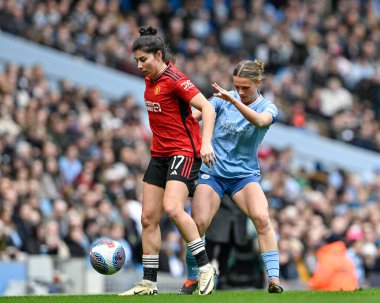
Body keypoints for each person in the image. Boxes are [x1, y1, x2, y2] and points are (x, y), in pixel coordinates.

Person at [118, 26, 217, 296]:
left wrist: (205, 143)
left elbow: (206, 107)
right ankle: (149, 283)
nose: (139, 66)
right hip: (159, 154)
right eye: (136, 60)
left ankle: (205, 267)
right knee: (148, 218)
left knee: (173, 209)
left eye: (143, 60)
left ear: (158, 55)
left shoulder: (175, 78)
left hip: (183, 152)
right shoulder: (150, 78)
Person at [179, 59, 283, 294]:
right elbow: (192, 118)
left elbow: (258, 121)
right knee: (198, 224)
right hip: (213, 173)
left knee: (262, 218)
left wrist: (233, 100)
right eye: (236, 86)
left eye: (245, 87)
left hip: (244, 176)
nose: (240, 91)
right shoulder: (219, 101)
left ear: (258, 83)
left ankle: (274, 280)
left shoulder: (267, 107)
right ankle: (192, 278)